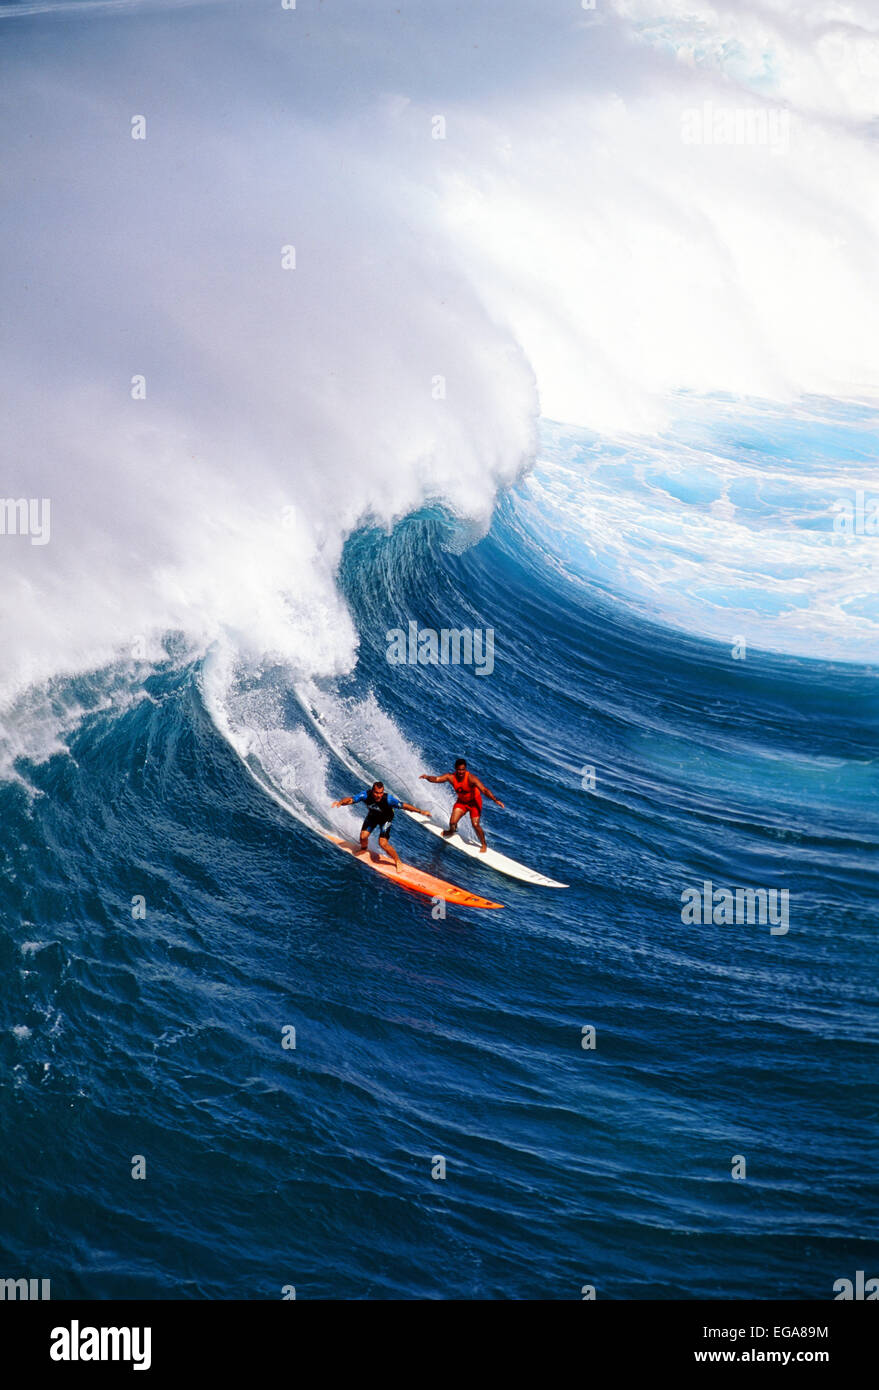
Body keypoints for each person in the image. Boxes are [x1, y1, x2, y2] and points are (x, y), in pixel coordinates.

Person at [331, 781, 429, 872]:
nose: (379, 795)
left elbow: (404, 806)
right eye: (376, 793)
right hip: (372, 817)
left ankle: (397, 861)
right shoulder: (365, 795)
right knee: (363, 837)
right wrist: (340, 802)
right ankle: (364, 849)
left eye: (381, 793)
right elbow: (351, 800)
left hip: (385, 820)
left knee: (383, 844)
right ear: (372, 791)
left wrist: (420, 811)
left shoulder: (389, 799)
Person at [419, 758, 504, 853]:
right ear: (456, 769)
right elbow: (437, 779)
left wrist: (495, 800)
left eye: (463, 769)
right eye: (459, 769)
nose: (461, 772)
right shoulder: (450, 777)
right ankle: (452, 831)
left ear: (465, 769)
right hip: (462, 802)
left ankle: (484, 844)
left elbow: (484, 790)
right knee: (452, 823)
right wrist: (427, 777)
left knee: (475, 825)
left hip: (474, 803)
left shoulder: (471, 778)